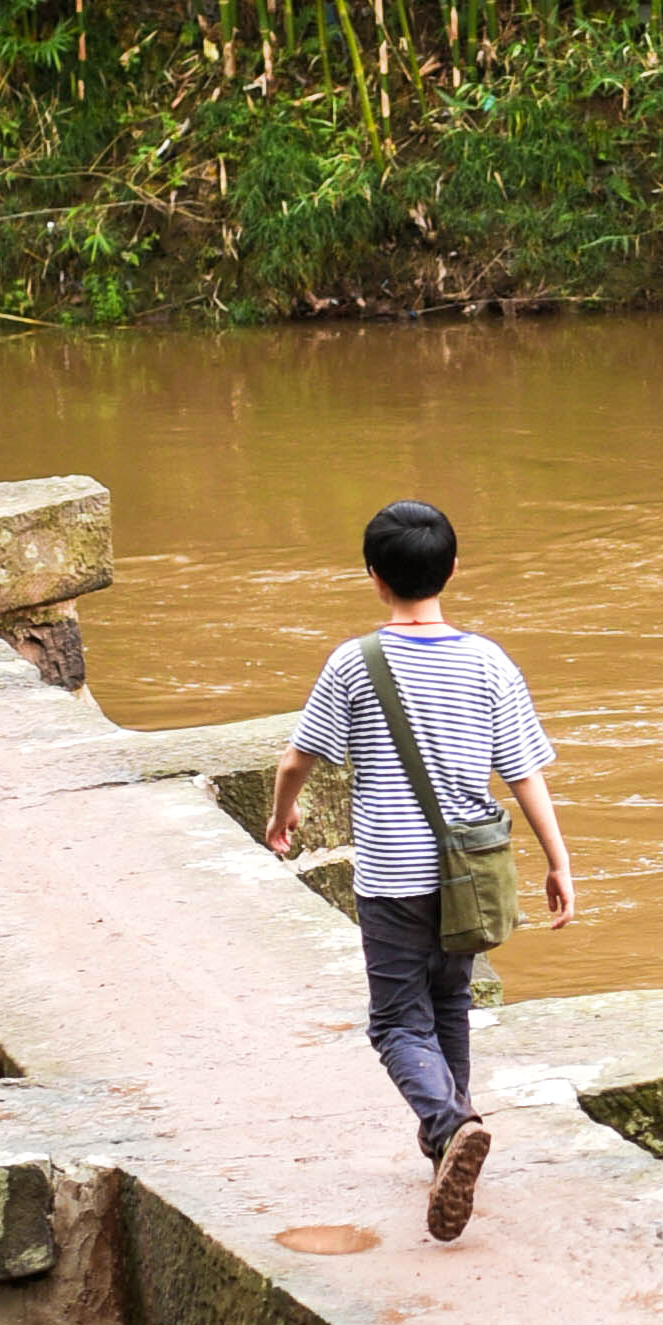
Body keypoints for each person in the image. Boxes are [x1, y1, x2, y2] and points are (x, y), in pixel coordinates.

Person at [267, 499, 577, 1239]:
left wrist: (282, 815)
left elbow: (296, 757)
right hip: (471, 870)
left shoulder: (354, 662)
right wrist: (559, 861)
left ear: (374, 578)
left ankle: (449, 1122)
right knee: (450, 1006)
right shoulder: (489, 661)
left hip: (393, 875)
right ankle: (450, 1140)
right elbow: (525, 773)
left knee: (395, 1023)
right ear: (454, 569)